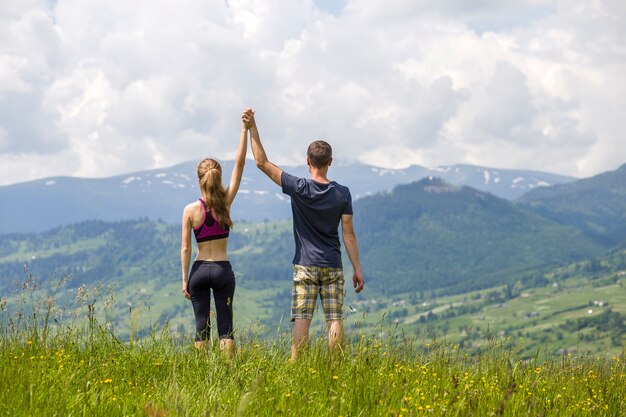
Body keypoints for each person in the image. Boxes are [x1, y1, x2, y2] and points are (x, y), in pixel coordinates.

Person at [242, 108, 364, 361]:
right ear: (330, 162)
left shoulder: (299, 187)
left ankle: (297, 369)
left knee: (302, 319)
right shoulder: (342, 193)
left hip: (305, 266)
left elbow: (262, 163)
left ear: (308, 161)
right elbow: (349, 235)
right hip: (332, 264)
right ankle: (335, 369)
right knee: (334, 319)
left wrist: (252, 126)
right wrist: (357, 269)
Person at [180, 117, 248, 355]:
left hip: (198, 270)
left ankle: (199, 375)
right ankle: (228, 376)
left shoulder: (190, 210)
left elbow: (186, 249)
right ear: (219, 178)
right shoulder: (225, 203)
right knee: (225, 327)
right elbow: (239, 165)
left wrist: (184, 279)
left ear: (199, 180)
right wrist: (244, 130)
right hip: (222, 269)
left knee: (201, 326)